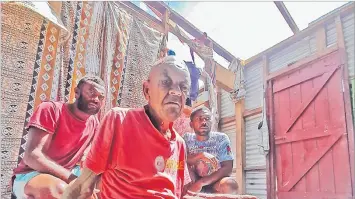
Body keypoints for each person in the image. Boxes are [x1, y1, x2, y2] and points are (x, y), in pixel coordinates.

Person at [61, 56, 192, 199]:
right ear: (147, 90)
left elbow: (177, 192)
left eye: (183, 87)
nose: (177, 91)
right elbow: (83, 184)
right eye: (166, 82)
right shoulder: (119, 121)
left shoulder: (180, 144)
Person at [11, 75, 106, 199]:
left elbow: (90, 159)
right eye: (92, 93)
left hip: (68, 173)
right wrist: (73, 180)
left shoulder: (94, 124)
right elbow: (32, 156)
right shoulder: (51, 109)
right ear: (77, 92)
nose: (96, 99)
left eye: (101, 97)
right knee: (60, 190)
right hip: (31, 174)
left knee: (107, 183)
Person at [183, 106, 238, 194]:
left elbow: (227, 168)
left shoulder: (221, 138)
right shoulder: (187, 139)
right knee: (182, 171)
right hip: (192, 179)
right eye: (199, 119)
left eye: (207, 118)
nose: (204, 122)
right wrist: (201, 155)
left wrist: (201, 182)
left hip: (215, 181)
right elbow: (181, 160)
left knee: (230, 185)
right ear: (191, 124)